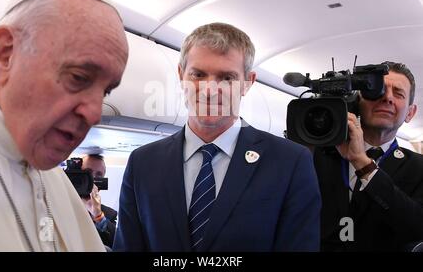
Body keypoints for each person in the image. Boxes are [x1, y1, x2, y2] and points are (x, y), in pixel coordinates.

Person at [113, 22, 321, 252]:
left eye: (227, 78)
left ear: (247, 83)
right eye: (198, 74)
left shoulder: (290, 162)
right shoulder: (143, 163)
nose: (210, 90)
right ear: (182, 75)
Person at [0, 0, 129, 251]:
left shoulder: (54, 179)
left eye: (105, 91)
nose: (94, 114)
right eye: (79, 77)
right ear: (5, 53)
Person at [314, 61, 423, 251]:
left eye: (398, 93)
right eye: (377, 91)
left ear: (410, 113)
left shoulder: (418, 168)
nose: (387, 98)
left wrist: (362, 164)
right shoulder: (316, 155)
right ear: (358, 101)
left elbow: (417, 227)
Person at [81, 154, 117, 249]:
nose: (92, 178)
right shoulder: (57, 203)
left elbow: (117, 244)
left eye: (99, 175)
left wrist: (98, 215)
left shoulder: (109, 214)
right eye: (87, 172)